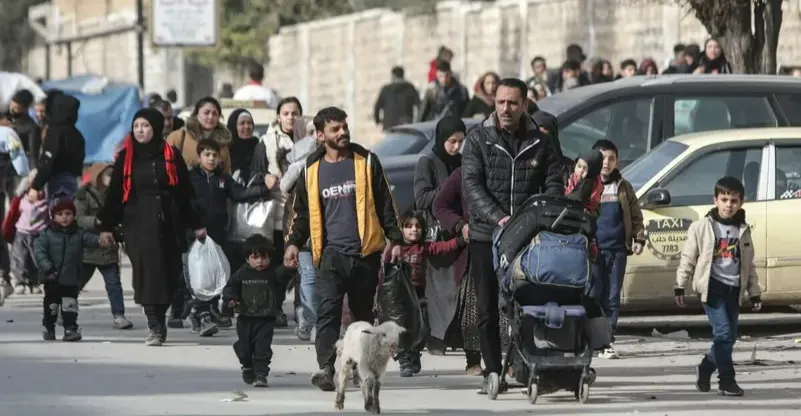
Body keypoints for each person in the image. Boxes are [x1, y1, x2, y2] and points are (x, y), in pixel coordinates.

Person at [283, 106, 403, 391]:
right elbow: (300, 213)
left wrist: (395, 239)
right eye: (335, 129)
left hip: (365, 254)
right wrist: (292, 243)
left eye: (345, 127)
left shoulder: (366, 161)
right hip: (329, 255)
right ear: (321, 135)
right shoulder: (311, 170)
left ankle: (364, 368)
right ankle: (326, 368)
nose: (343, 132)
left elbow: (386, 203)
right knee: (328, 313)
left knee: (362, 316)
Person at [461, 78, 563, 398]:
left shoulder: (541, 142)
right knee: (488, 307)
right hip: (485, 235)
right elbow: (472, 187)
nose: (506, 108)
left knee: (527, 304)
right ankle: (492, 370)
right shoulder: (478, 139)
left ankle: (527, 366)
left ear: (524, 104)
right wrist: (499, 218)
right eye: (501, 102)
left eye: (513, 103)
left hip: (526, 238)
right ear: (494, 102)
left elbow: (554, 184)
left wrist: (540, 220)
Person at [97, 108, 205, 346]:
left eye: (145, 126)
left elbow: (185, 193)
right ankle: (155, 324)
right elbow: (115, 195)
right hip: (138, 224)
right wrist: (106, 226)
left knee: (169, 273)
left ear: (155, 128)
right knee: (147, 275)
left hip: (169, 223)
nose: (140, 130)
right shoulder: (126, 158)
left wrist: (196, 224)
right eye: (136, 126)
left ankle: (160, 315)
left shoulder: (171, 155)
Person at [675, 176, 762, 397]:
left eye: (734, 200)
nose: (728, 205)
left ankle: (705, 368)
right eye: (724, 199)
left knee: (729, 338)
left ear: (741, 202)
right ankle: (727, 381)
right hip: (712, 288)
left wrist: (754, 293)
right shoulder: (702, 227)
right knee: (723, 334)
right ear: (715, 200)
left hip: (734, 290)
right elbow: (688, 257)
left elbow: (748, 264)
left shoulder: (743, 230)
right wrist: (680, 285)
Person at [186, 138, 274, 336]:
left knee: (216, 274)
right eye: (207, 155)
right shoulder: (190, 178)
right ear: (199, 157)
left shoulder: (223, 179)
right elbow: (185, 204)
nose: (211, 159)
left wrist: (263, 189)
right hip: (195, 236)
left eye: (214, 155)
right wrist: (194, 227)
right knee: (200, 276)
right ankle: (201, 314)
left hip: (217, 235)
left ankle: (203, 311)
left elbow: (239, 193)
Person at [412, 116, 465, 356]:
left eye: (460, 141)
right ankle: (435, 338)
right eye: (452, 141)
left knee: (454, 288)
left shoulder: (462, 162)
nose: (456, 147)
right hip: (437, 234)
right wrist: (449, 190)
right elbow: (421, 198)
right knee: (437, 290)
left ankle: (450, 335)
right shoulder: (428, 163)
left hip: (458, 232)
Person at [391, 211, 466, 377]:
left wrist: (459, 241)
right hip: (400, 296)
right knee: (403, 330)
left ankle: (415, 352)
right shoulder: (396, 249)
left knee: (424, 329)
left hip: (419, 295)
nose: (414, 230)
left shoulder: (423, 248)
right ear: (401, 229)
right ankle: (405, 361)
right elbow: (383, 271)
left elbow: (442, 247)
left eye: (417, 226)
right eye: (409, 226)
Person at [251, 97, 304, 328]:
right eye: (286, 113)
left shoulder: (311, 139)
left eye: (295, 113)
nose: (291, 117)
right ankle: (276, 306)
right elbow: (255, 171)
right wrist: (266, 177)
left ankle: (303, 309)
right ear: (279, 116)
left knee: (303, 264)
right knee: (278, 264)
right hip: (277, 212)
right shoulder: (267, 141)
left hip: (304, 212)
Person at [590, 139, 645, 359]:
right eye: (602, 158)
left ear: (617, 162)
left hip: (617, 252)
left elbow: (636, 215)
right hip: (593, 252)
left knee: (612, 297)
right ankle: (591, 340)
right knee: (593, 295)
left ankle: (607, 341)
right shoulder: (588, 184)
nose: (606, 163)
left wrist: (638, 238)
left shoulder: (623, 186)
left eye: (611, 158)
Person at [34, 198, 109, 342]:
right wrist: (47, 266)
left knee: (70, 306)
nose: (64, 217)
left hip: (71, 278)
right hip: (52, 277)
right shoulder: (47, 234)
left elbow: (90, 239)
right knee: (52, 306)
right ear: (53, 216)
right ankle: (49, 328)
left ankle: (70, 329)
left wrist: (101, 241)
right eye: (60, 214)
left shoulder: (78, 233)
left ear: (73, 216)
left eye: (68, 213)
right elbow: (39, 251)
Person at [431, 167, 483, 375]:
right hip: (473, 248)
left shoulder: (510, 166)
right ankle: (473, 359)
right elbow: (440, 206)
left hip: (507, 242)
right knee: (473, 307)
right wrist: (460, 225)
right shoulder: (464, 173)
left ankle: (513, 362)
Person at [223, 234, 287, 388]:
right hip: (245, 318)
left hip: (266, 319)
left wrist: (289, 267)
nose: (260, 261)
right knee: (245, 348)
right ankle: (247, 365)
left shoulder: (272, 273)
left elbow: (284, 276)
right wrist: (231, 300)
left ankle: (261, 375)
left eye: (264, 257)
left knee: (262, 347)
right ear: (247, 258)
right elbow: (230, 287)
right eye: (255, 257)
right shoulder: (241, 274)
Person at [74, 164, 133, 330]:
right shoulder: (83, 195)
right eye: (108, 175)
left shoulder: (117, 195)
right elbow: (77, 219)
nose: (111, 179)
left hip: (109, 247)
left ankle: (119, 315)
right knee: (76, 283)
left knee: (114, 284)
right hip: (88, 247)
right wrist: (96, 221)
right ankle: (64, 310)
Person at [280, 119, 322, 342]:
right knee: (308, 277)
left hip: (325, 231)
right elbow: (284, 187)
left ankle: (310, 319)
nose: (316, 137)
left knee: (320, 278)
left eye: (318, 131)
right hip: (302, 230)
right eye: (311, 132)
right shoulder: (299, 166)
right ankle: (310, 320)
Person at [28, 93, 85, 202]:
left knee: (57, 215)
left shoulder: (55, 133)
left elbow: (48, 161)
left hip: (57, 182)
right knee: (68, 215)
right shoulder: (77, 134)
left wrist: (36, 186)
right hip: (74, 182)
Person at [166, 97, 232, 174]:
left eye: (214, 114)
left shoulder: (223, 143)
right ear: (196, 114)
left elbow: (227, 175)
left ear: (218, 118)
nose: (210, 117)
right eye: (206, 113)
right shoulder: (178, 137)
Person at [10, 171, 47, 295]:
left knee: (35, 260)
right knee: (19, 258)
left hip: (39, 233)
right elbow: (13, 212)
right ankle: (20, 282)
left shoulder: (46, 196)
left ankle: (34, 282)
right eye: (31, 179)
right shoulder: (22, 196)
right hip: (22, 232)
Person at [373, 66, 420, 131]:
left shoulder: (386, 89)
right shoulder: (410, 88)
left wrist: (378, 122)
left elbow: (377, 107)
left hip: (389, 125)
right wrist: (418, 122)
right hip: (406, 125)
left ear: (393, 76)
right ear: (403, 75)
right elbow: (419, 106)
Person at [9, 89, 41, 168]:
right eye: (11, 106)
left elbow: (33, 156)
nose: (11, 110)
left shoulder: (31, 127)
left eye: (16, 108)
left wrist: (33, 172)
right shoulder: (4, 117)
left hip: (13, 168)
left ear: (25, 108)